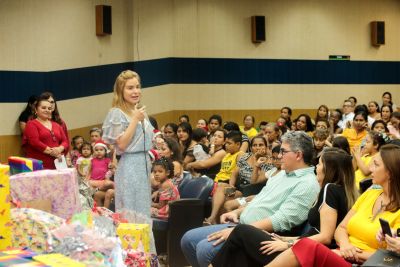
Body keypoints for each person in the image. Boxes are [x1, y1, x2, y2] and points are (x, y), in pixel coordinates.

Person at [180, 131, 320, 267]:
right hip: (243, 225)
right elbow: (260, 199)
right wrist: (238, 212)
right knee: (188, 239)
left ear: (298, 155)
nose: (278, 155)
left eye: (283, 151)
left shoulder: (307, 183)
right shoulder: (283, 174)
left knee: (205, 250)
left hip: (263, 235)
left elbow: (281, 220)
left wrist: (238, 232)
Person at [211, 147, 358, 267]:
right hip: (301, 245)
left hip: (304, 253)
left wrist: (288, 244)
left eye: (319, 164)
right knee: (241, 247)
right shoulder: (343, 191)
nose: (316, 168)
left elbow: (326, 237)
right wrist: (285, 238)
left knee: (242, 231)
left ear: (329, 169)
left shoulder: (330, 189)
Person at [265, 144, 400, 267]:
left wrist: (348, 253)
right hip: (340, 253)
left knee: (306, 246)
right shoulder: (370, 194)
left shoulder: (330, 188)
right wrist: (345, 245)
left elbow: (389, 258)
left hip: (361, 262)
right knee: (246, 233)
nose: (369, 168)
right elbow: (341, 228)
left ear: (390, 172)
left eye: (375, 164)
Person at [102, 70, 154, 216]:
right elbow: (122, 145)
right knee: (131, 210)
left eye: (137, 87)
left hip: (144, 164)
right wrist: (135, 120)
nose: (136, 91)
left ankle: (143, 238)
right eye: (130, 88)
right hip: (129, 165)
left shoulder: (138, 110)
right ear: (121, 90)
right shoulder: (117, 113)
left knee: (143, 211)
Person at [204, 131, 244, 225]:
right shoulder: (226, 155)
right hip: (217, 184)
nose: (226, 145)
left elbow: (235, 172)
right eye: (226, 143)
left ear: (238, 144)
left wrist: (231, 185)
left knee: (222, 188)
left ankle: (212, 218)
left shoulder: (240, 154)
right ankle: (213, 220)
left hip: (234, 188)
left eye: (229, 143)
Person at [22, 95, 69, 169]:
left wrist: (59, 149)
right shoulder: (31, 124)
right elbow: (35, 142)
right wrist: (53, 152)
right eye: (43, 108)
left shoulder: (56, 125)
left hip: (58, 164)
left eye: (49, 108)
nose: (47, 110)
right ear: (36, 110)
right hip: (39, 165)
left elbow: (65, 141)